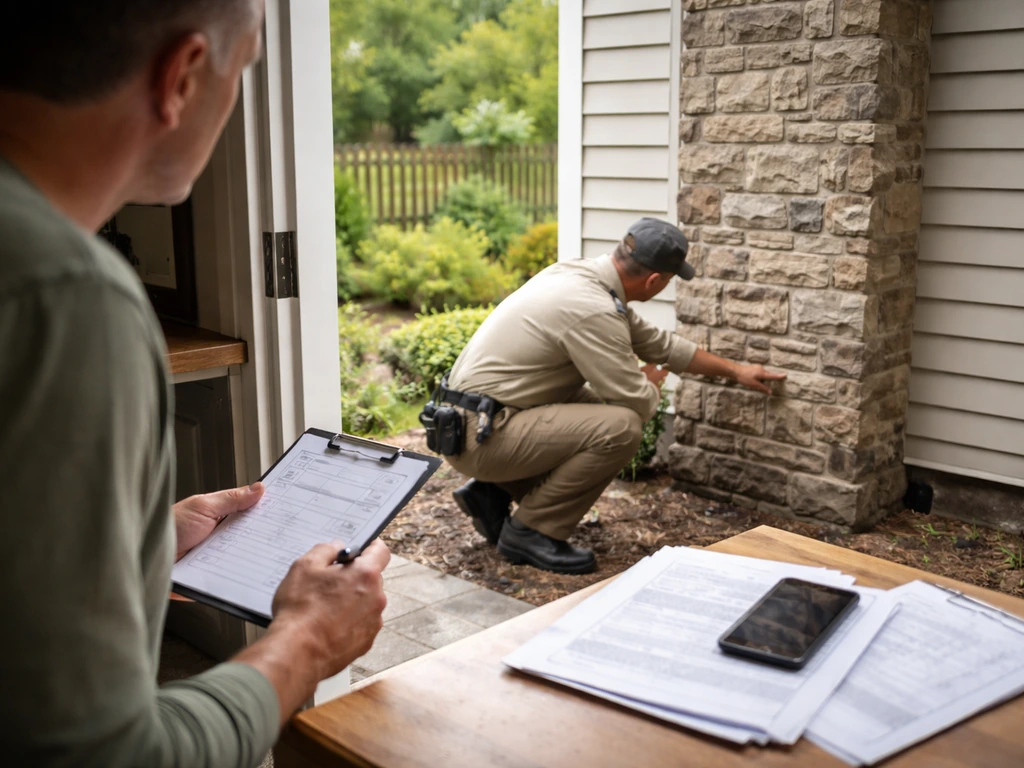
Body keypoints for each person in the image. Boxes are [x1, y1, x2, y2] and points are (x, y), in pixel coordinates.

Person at [0, 3, 390, 766]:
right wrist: (306, 641)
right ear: (180, 77)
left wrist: (144, 545)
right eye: (243, 66)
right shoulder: (65, 294)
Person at [440, 218, 786, 574]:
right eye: (668, 281)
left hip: (474, 422)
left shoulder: (577, 276)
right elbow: (636, 402)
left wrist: (736, 371)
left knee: (588, 407)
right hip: (481, 436)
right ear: (654, 281)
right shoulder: (593, 309)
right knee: (621, 428)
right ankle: (530, 532)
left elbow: (660, 345)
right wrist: (650, 384)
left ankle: (492, 494)